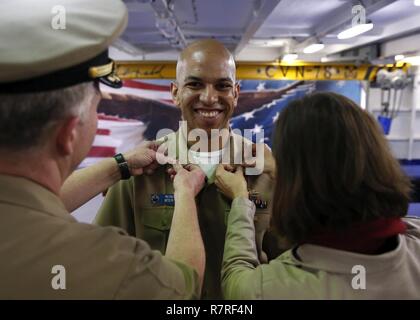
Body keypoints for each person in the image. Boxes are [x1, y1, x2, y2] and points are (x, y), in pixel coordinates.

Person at [0, 0, 205, 299]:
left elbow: (29, 203)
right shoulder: (106, 265)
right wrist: (185, 194)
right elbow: (183, 287)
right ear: (69, 133)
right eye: (97, 109)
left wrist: (119, 165)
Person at [94, 39, 280, 299]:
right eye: (195, 84)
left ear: (236, 93)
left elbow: (286, 264)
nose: (209, 97)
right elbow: (105, 261)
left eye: (222, 86)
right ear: (175, 92)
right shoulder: (143, 168)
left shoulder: (265, 170)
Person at [215, 92, 420, 299]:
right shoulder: (414, 241)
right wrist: (282, 169)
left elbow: (236, 278)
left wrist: (240, 198)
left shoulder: (272, 289)